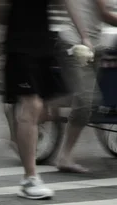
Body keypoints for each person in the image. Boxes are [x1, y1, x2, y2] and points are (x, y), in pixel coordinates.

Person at [0, 0, 90, 200]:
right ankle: (30, 178)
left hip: (45, 43)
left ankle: (18, 129)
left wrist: (84, 35)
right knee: (33, 105)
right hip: (20, 44)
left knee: (56, 101)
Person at [55, 0, 117, 173]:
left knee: (92, 99)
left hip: (95, 45)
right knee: (86, 100)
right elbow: (105, 14)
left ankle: (43, 107)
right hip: (75, 44)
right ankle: (64, 156)